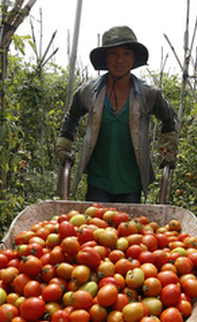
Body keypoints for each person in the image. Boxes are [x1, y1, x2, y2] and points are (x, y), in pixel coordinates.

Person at [55, 25, 178, 203]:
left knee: (128, 228)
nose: (120, 60)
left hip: (131, 181)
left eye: (126, 54)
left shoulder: (149, 94)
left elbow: (168, 119)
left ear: (134, 57)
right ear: (106, 58)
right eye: (113, 53)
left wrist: (170, 148)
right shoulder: (89, 92)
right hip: (99, 179)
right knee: (95, 227)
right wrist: (64, 143)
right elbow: (72, 115)